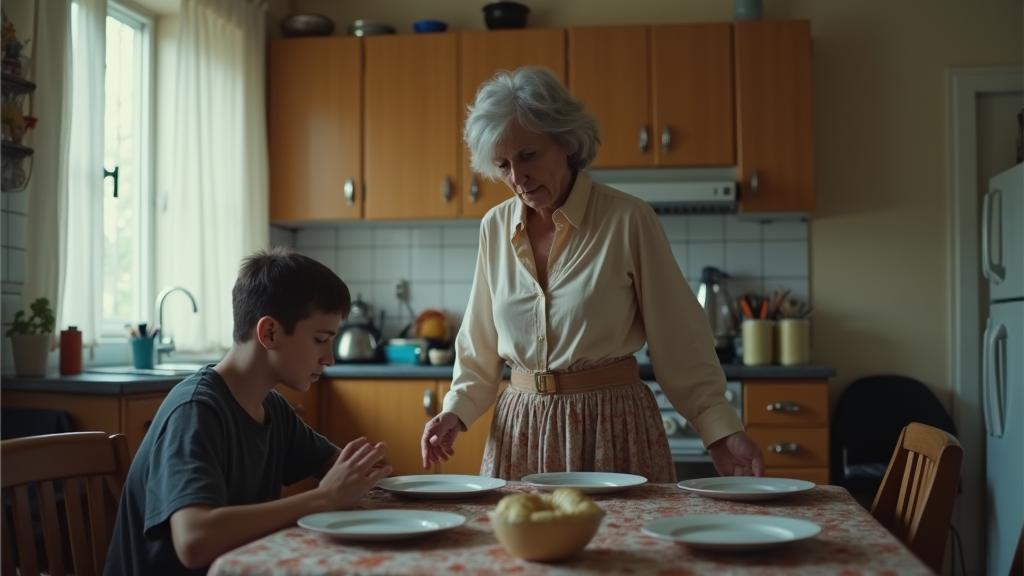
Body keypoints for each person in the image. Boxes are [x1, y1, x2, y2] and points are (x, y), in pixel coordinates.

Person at [420, 66, 764, 482]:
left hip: (611, 425)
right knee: (522, 526)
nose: (517, 178)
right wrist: (454, 413)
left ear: (566, 141)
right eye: (503, 165)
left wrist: (721, 431)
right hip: (522, 428)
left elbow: (680, 341)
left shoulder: (628, 220)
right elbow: (479, 345)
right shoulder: (494, 227)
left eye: (528, 156)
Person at [105, 248, 392, 575]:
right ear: (269, 333)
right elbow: (195, 540)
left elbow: (340, 470)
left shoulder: (271, 407)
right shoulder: (195, 411)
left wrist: (365, 475)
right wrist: (323, 498)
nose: (330, 358)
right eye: (320, 339)